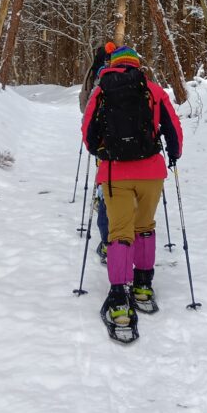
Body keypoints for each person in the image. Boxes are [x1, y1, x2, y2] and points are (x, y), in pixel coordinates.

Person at [82, 45, 182, 336]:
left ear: (113, 63)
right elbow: (173, 128)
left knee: (119, 232)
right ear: (138, 64)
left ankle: (118, 298)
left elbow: (88, 134)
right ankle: (142, 285)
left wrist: (102, 151)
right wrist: (173, 154)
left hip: (115, 174)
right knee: (145, 227)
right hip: (151, 172)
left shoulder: (101, 91)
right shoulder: (153, 90)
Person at [79, 41, 116, 263]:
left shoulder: (95, 71)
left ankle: (107, 241)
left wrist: (87, 120)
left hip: (101, 136)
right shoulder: (126, 71)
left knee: (103, 170)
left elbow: (84, 97)